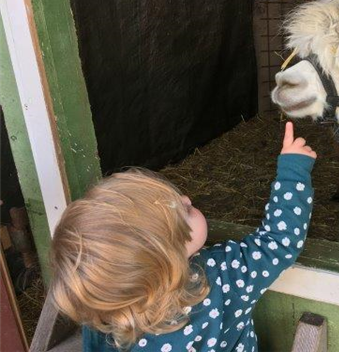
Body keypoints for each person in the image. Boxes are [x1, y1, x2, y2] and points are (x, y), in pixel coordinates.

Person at [50, 122, 316, 352]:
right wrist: (293, 170)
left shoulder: (110, 311)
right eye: (185, 211)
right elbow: (278, 241)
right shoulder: (222, 277)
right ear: (168, 255)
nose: (187, 197)